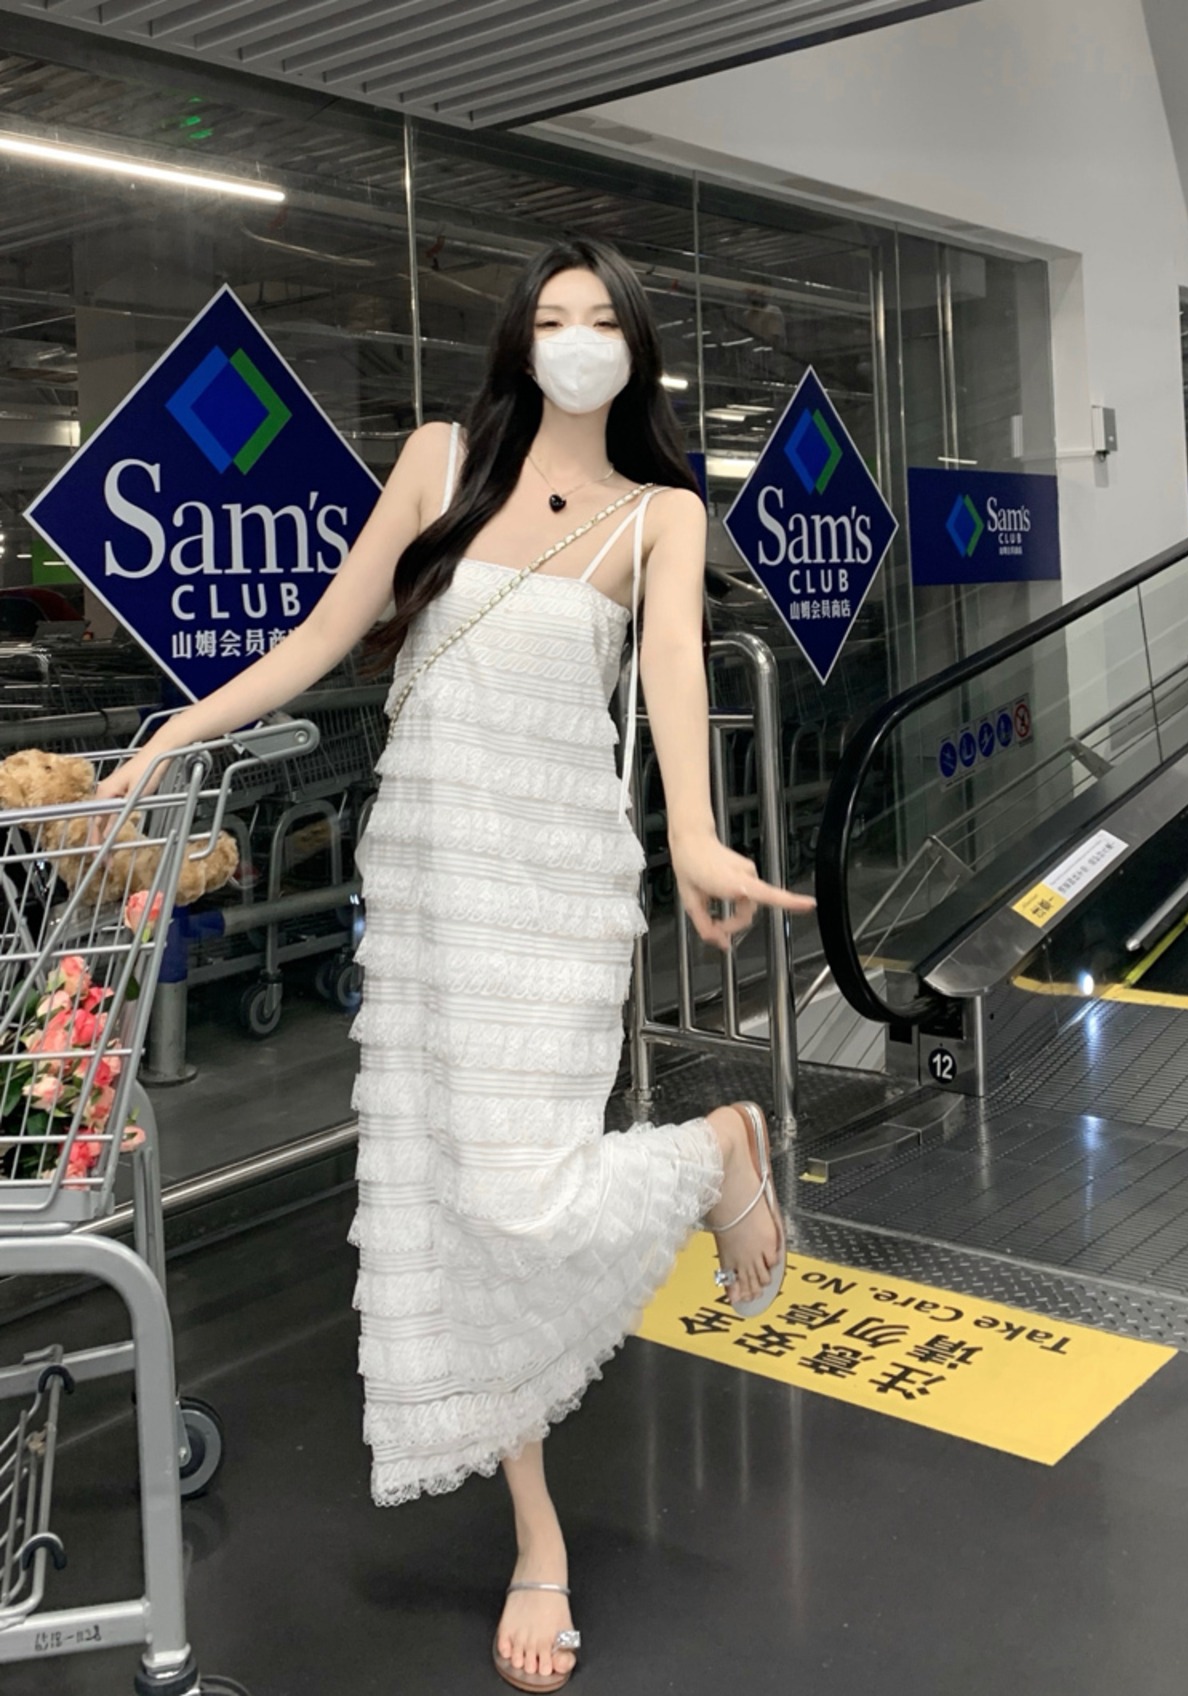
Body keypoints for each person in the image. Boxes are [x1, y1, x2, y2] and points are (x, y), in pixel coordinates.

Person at [100, 238, 814, 1692]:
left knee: (519, 1194)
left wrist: (696, 837)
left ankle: (714, 1151)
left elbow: (674, 673)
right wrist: (181, 729)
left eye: (600, 320)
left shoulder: (663, 512)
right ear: (518, 342)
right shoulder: (440, 462)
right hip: (429, 880)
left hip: (553, 884)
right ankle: (536, 1534)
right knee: (453, 1213)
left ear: (636, 348)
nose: (574, 340)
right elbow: (325, 635)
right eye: (551, 318)